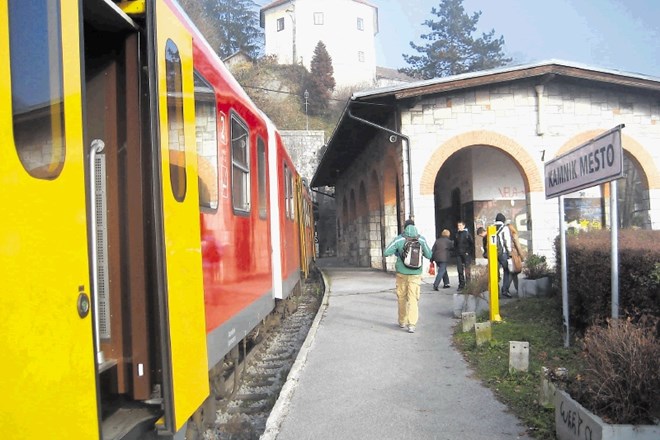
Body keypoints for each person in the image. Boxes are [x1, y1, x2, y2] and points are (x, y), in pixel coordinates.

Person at [383, 222, 432, 333]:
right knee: (413, 298)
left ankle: (402, 321)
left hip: (401, 273)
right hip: (415, 274)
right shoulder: (422, 240)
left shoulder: (399, 239)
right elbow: (429, 255)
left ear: (404, 229)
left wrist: (398, 252)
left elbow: (386, 252)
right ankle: (412, 324)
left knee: (401, 297)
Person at [495, 213, 513, 298]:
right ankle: (505, 290)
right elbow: (507, 240)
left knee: (495, 273)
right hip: (503, 253)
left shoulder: (491, 227)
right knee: (507, 271)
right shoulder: (504, 228)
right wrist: (510, 252)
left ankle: (496, 291)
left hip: (494, 254)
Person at [454, 220, 474, 290]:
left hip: (466, 254)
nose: (459, 227)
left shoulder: (467, 234)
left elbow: (471, 244)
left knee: (467, 269)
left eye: (460, 225)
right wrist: (456, 252)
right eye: (458, 226)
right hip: (458, 254)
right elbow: (455, 244)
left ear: (463, 226)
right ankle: (461, 284)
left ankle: (468, 285)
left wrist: (468, 252)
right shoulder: (457, 234)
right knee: (460, 270)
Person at [506, 219, 525, 294]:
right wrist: (522, 256)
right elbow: (518, 246)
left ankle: (517, 289)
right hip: (514, 255)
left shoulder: (505, 234)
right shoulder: (514, 234)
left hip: (508, 254)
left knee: (513, 273)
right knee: (513, 272)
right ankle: (505, 289)